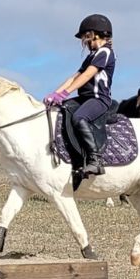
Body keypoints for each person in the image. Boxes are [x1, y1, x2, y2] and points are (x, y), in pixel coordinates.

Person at [43, 14, 116, 177]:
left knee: (79, 118)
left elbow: (87, 76)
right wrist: (55, 93)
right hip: (84, 98)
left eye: (86, 37)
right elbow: (74, 77)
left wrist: (65, 93)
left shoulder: (105, 52)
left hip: (98, 99)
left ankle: (95, 160)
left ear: (96, 34)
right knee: (62, 110)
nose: (84, 41)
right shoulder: (92, 55)